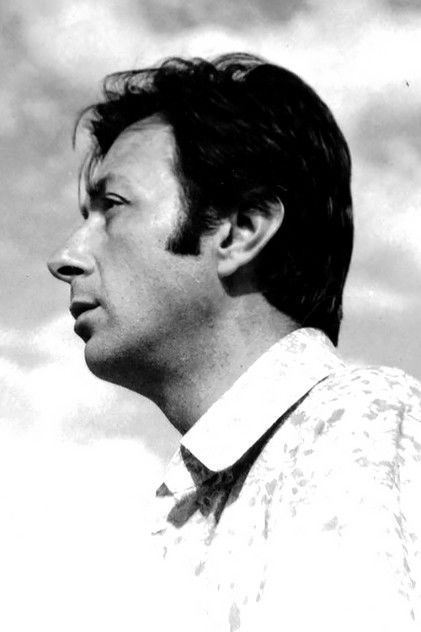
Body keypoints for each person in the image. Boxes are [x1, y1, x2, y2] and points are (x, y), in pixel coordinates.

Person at [47, 53, 421, 630]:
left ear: (241, 230)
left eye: (112, 207)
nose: (64, 257)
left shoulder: (356, 424)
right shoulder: (191, 500)